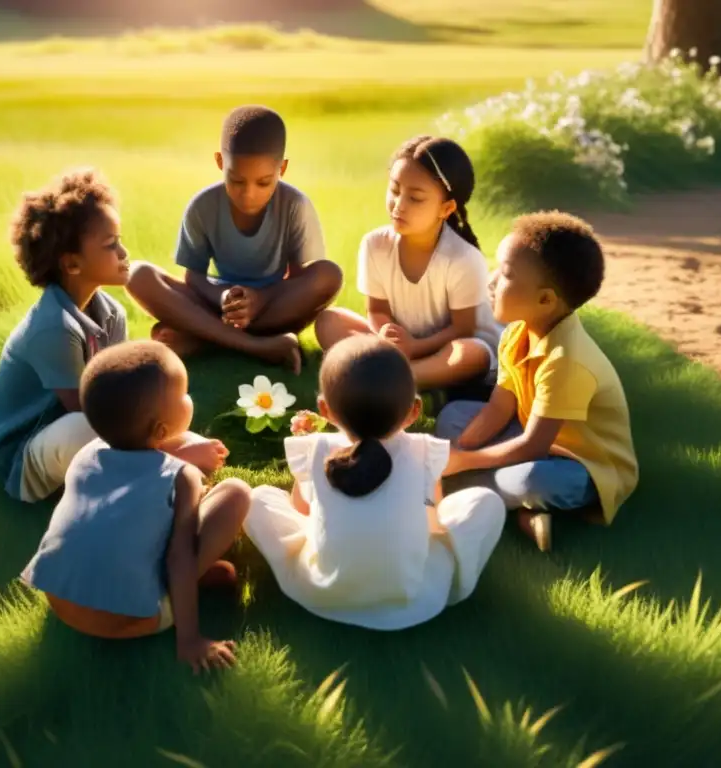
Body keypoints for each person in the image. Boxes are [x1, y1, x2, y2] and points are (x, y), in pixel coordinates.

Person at [0, 169, 226, 504]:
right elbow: (99, 413)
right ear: (72, 264)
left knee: (166, 404)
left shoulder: (111, 311)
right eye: (111, 245)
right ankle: (168, 468)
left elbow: (124, 394)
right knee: (86, 427)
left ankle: (158, 462)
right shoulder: (53, 328)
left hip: (98, 426)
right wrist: (174, 443)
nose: (124, 253)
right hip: (34, 455)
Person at [244, 335, 506, 630]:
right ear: (414, 411)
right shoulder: (424, 451)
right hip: (412, 599)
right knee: (485, 502)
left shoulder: (314, 449)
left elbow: (300, 511)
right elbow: (434, 523)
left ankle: (347, 554)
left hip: (324, 592)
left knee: (257, 498)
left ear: (324, 410)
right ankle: (449, 584)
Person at [21, 340, 251, 673]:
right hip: (131, 620)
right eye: (184, 394)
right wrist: (189, 640)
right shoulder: (182, 476)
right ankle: (169, 600)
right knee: (235, 494)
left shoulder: (85, 456)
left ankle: (151, 580)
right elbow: (180, 557)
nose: (190, 398)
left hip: (61, 599)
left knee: (140, 518)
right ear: (160, 429)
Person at [436, 212, 639, 553]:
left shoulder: (566, 361)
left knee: (528, 479)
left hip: (582, 466)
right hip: (536, 436)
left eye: (507, 274)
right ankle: (523, 511)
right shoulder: (517, 332)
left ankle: (461, 494)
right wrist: (462, 449)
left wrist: (463, 463)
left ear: (545, 300)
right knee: (455, 415)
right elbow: (500, 407)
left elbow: (533, 445)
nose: (492, 280)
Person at [126, 105, 343, 376]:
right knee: (138, 275)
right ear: (220, 162)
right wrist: (224, 297)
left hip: (273, 307)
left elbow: (299, 280)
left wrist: (260, 299)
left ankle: (203, 336)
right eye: (236, 180)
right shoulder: (203, 206)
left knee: (328, 274)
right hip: (219, 302)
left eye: (263, 182)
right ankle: (257, 346)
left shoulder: (295, 206)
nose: (248, 194)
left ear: (282, 168)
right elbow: (193, 277)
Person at [314, 135, 502, 394]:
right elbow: (377, 310)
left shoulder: (463, 258)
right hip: (401, 346)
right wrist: (384, 337)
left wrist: (415, 347)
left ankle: (396, 379)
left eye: (415, 198)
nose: (399, 205)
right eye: (394, 190)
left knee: (471, 354)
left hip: (449, 348)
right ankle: (397, 375)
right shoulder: (375, 244)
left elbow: (462, 329)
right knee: (328, 321)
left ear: (446, 208)